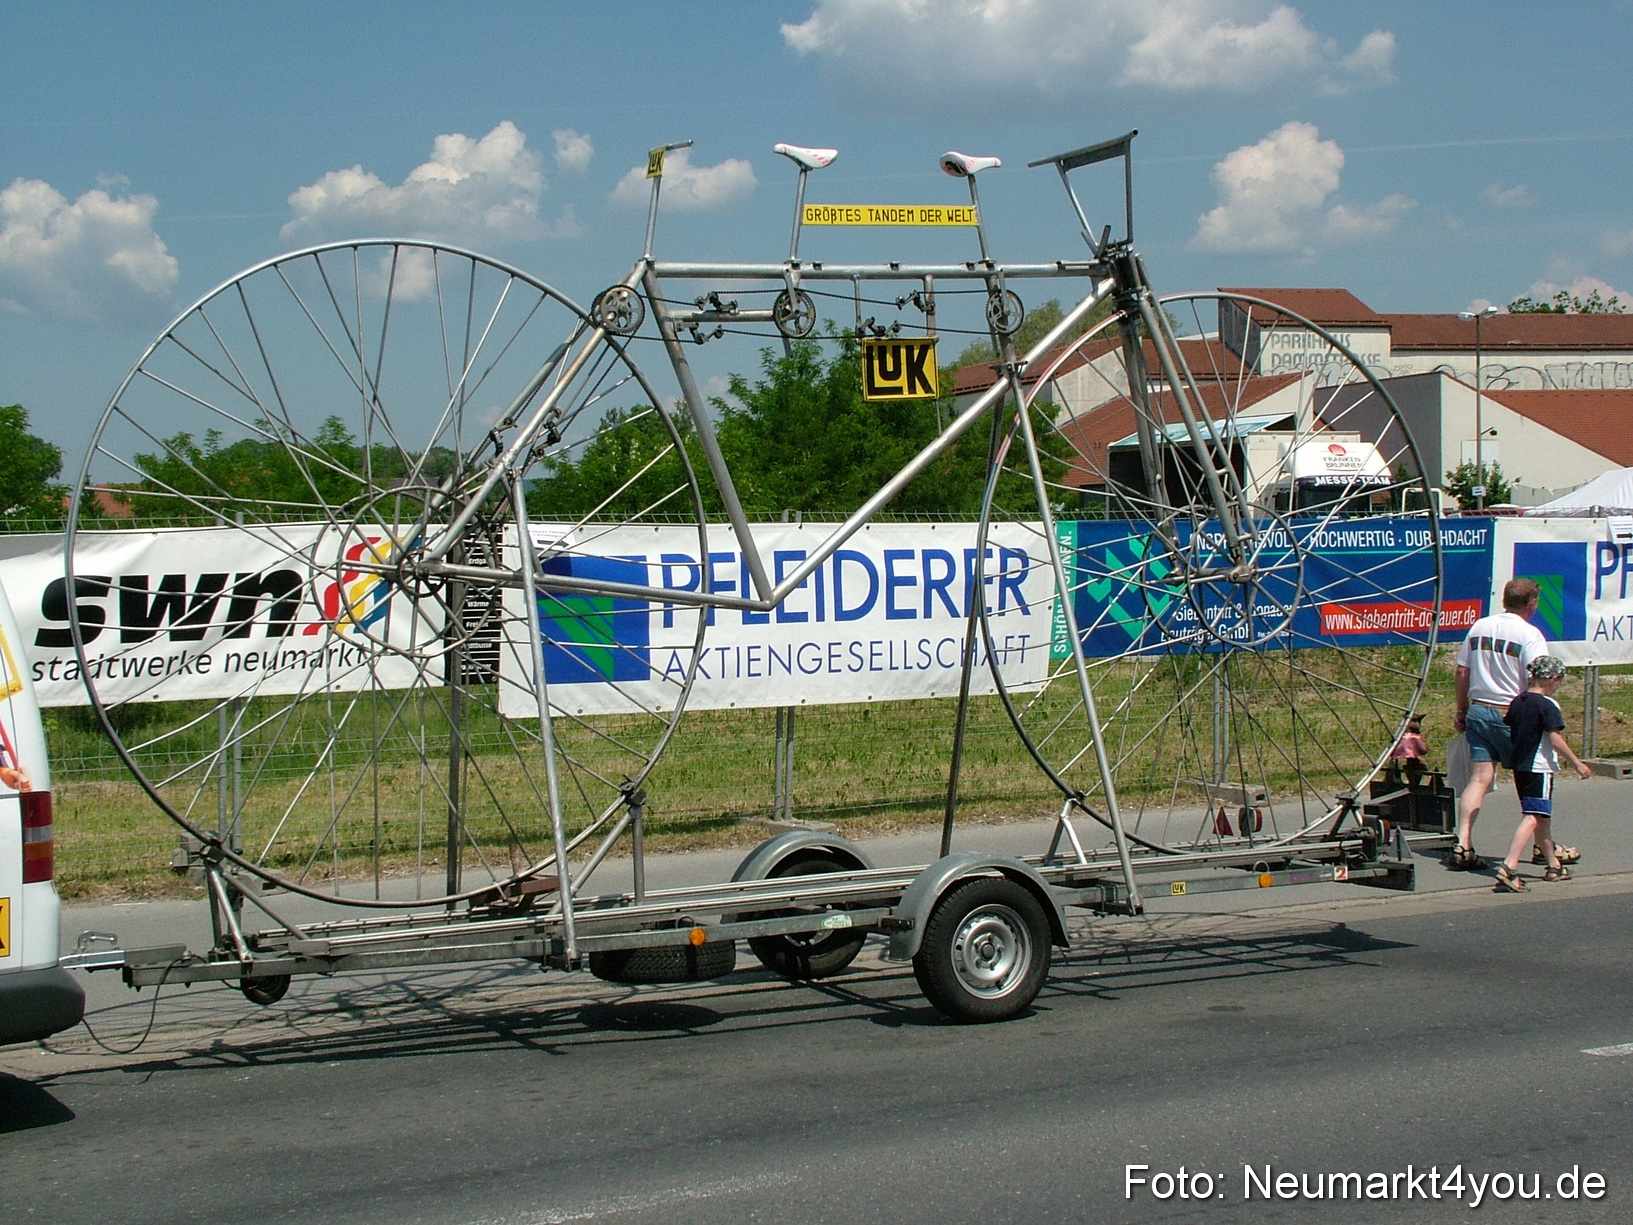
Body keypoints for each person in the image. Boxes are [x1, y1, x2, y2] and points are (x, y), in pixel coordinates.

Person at [1448, 577, 1547, 870]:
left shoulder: (1480, 627)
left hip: (1479, 710)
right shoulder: (1530, 635)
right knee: (1532, 781)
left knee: (1479, 779)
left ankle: (1463, 842)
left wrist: (1462, 709)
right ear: (1531, 604)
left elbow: (1461, 671)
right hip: (1512, 714)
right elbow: (1538, 680)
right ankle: (1543, 848)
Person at [1493, 655, 1593, 893]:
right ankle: (1509, 866)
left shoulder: (1518, 701)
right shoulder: (1548, 705)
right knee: (1533, 817)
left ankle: (1553, 866)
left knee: (1542, 819)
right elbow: (1554, 738)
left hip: (1520, 766)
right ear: (1553, 679)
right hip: (1539, 767)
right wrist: (1577, 763)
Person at [1391, 713, 1429, 786]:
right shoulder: (1414, 737)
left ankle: (1410, 782)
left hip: (1398, 761)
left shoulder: (1398, 737)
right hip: (1411, 761)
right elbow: (1423, 750)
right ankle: (1415, 784)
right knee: (1423, 767)